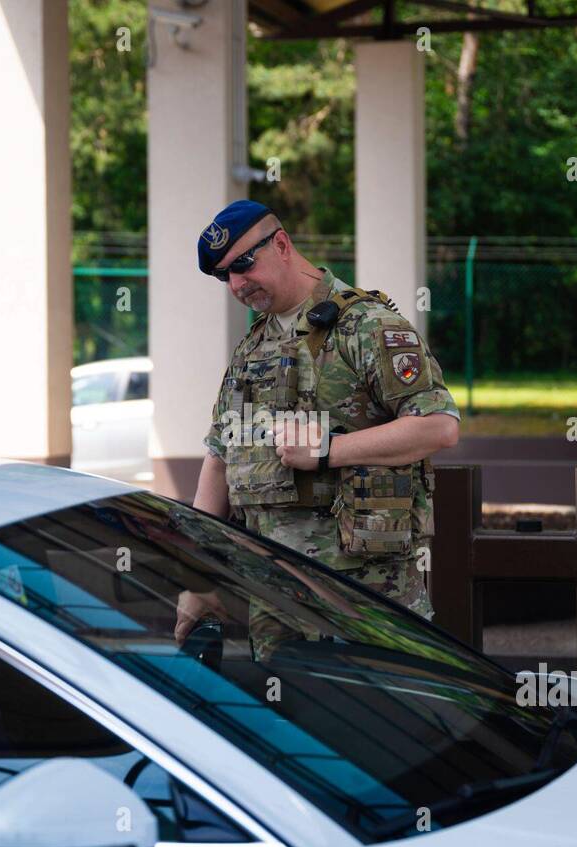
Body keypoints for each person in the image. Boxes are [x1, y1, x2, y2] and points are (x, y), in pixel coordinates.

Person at [175, 199, 460, 657]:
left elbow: (439, 427)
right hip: (275, 604)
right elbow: (219, 458)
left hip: (365, 602)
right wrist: (199, 577)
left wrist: (329, 450)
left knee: (381, 722)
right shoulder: (253, 345)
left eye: (244, 264)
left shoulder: (367, 326)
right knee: (289, 723)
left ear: (282, 244)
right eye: (224, 275)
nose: (237, 284)